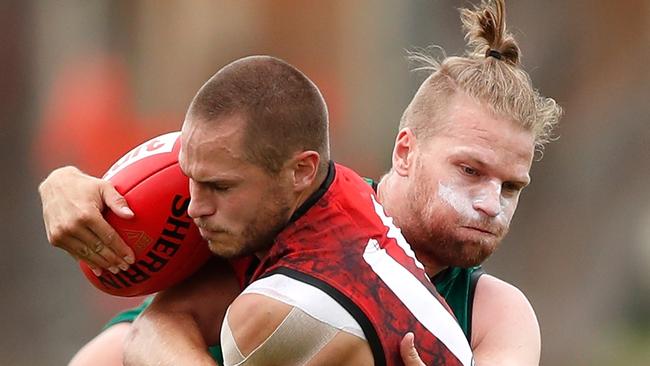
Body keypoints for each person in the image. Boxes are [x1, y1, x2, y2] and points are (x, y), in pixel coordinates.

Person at [39, 0, 561, 365]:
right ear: (406, 150)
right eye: (470, 171)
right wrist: (66, 186)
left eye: (512, 187)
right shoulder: (287, 212)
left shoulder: (496, 313)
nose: (492, 204)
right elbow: (145, 335)